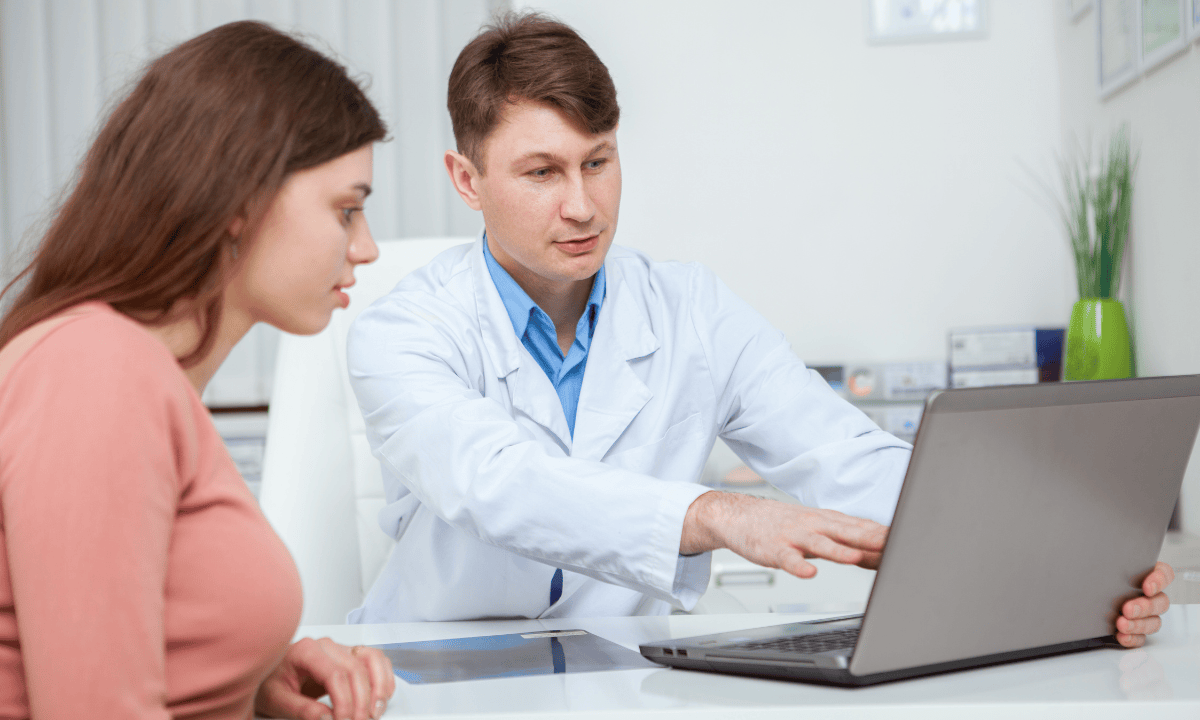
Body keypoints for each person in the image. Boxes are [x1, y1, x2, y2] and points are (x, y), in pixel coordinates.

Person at [346, 13, 1174, 646]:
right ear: (467, 179)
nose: (582, 204)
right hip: (439, 667)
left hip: (620, 672)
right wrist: (715, 515)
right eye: (541, 172)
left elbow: (843, 458)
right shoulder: (403, 331)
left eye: (598, 160)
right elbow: (504, 483)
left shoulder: (690, 311)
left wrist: (1060, 566)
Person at [0, 21, 396, 720]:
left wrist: (250, 676)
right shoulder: (97, 371)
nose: (365, 248)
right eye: (347, 210)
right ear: (238, 203)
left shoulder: (142, 377)